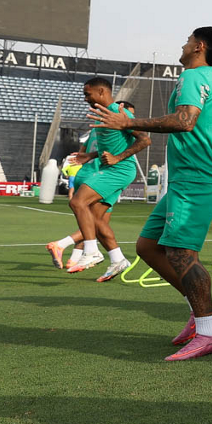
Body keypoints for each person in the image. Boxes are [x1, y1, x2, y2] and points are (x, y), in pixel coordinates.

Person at [89, 26, 212, 360]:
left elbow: (185, 121)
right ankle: (203, 311)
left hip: (195, 180)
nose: (183, 45)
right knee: (148, 247)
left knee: (180, 253)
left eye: (188, 40)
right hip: (188, 180)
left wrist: (128, 124)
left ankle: (209, 333)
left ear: (199, 46)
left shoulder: (193, 77)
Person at [50, 78, 151, 278]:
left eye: (88, 94)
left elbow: (145, 139)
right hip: (113, 169)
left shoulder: (119, 112)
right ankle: (117, 260)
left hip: (119, 170)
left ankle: (91, 251)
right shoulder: (101, 115)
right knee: (96, 221)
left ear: (102, 91)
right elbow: (111, 146)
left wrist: (118, 158)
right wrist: (90, 155)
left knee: (78, 202)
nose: (85, 98)